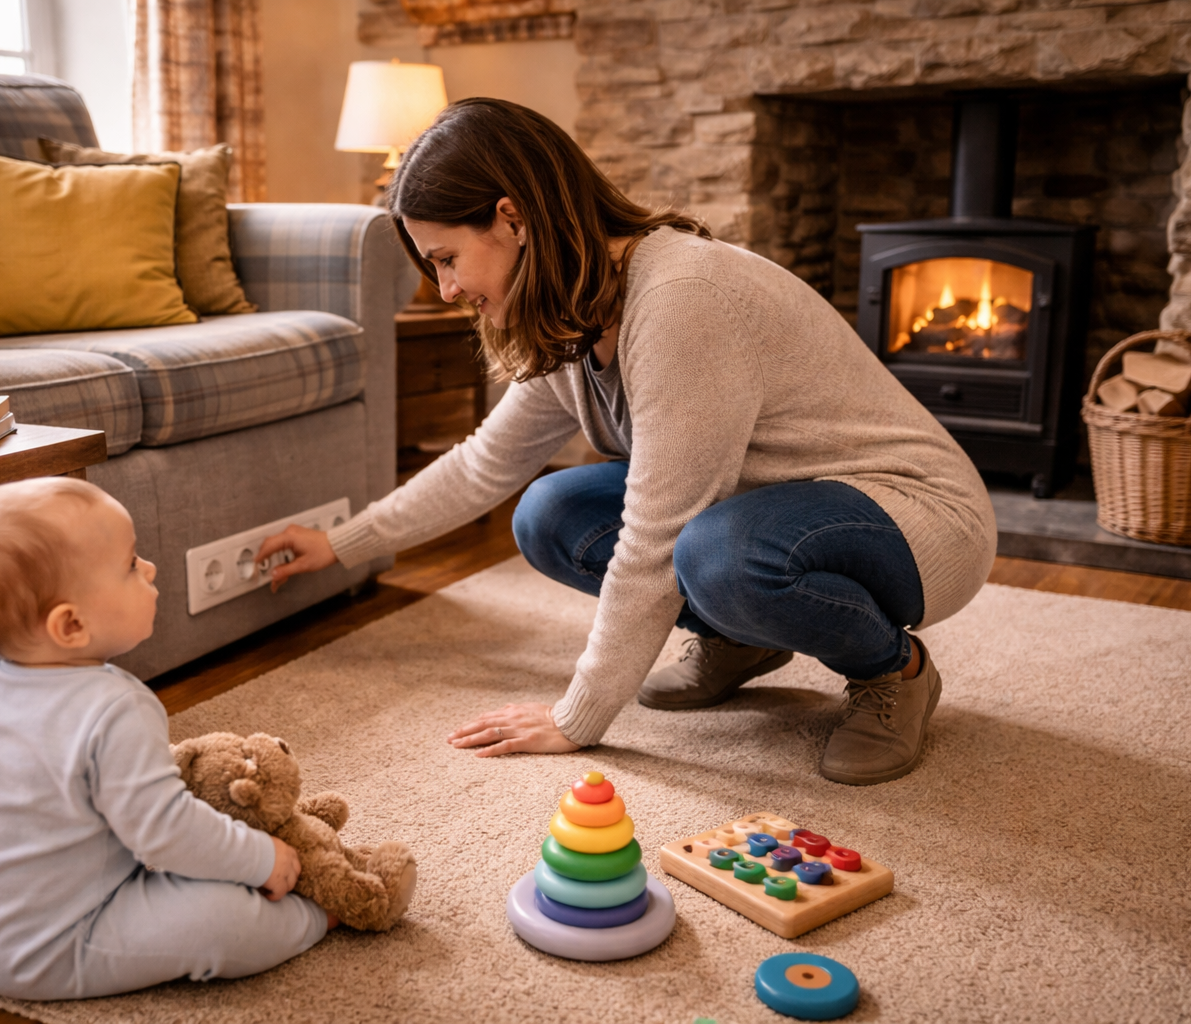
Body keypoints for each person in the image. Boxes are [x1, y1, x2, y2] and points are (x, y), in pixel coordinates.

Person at [257, 98, 995, 786]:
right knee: (548, 512)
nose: (445, 289)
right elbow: (485, 466)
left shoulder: (680, 300)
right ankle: (740, 636)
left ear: (512, 219)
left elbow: (657, 533)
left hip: (913, 518)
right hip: (765, 510)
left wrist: (576, 717)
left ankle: (893, 671)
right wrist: (343, 542)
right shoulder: (568, 314)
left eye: (446, 259)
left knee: (714, 553)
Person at [0, 477, 332, 1000]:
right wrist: (260, 858)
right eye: (132, 565)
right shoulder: (116, 709)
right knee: (222, 920)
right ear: (71, 626)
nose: (150, 568)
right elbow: (167, 834)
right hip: (47, 947)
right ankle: (323, 913)